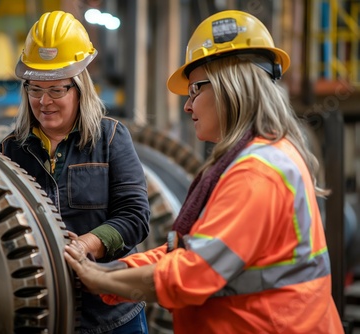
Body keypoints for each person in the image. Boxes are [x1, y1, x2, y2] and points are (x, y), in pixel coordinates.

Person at [64, 9, 344, 334]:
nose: (187, 105)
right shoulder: (262, 157)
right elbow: (186, 252)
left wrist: (99, 279)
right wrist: (112, 271)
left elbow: (192, 273)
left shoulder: (258, 172)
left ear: (231, 85)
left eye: (195, 89)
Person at [0, 10, 151, 334]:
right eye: (35, 89)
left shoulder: (110, 138)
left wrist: (89, 244)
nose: (44, 102)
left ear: (80, 87)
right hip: (43, 316)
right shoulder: (10, 151)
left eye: (56, 90)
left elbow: (135, 216)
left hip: (112, 315)